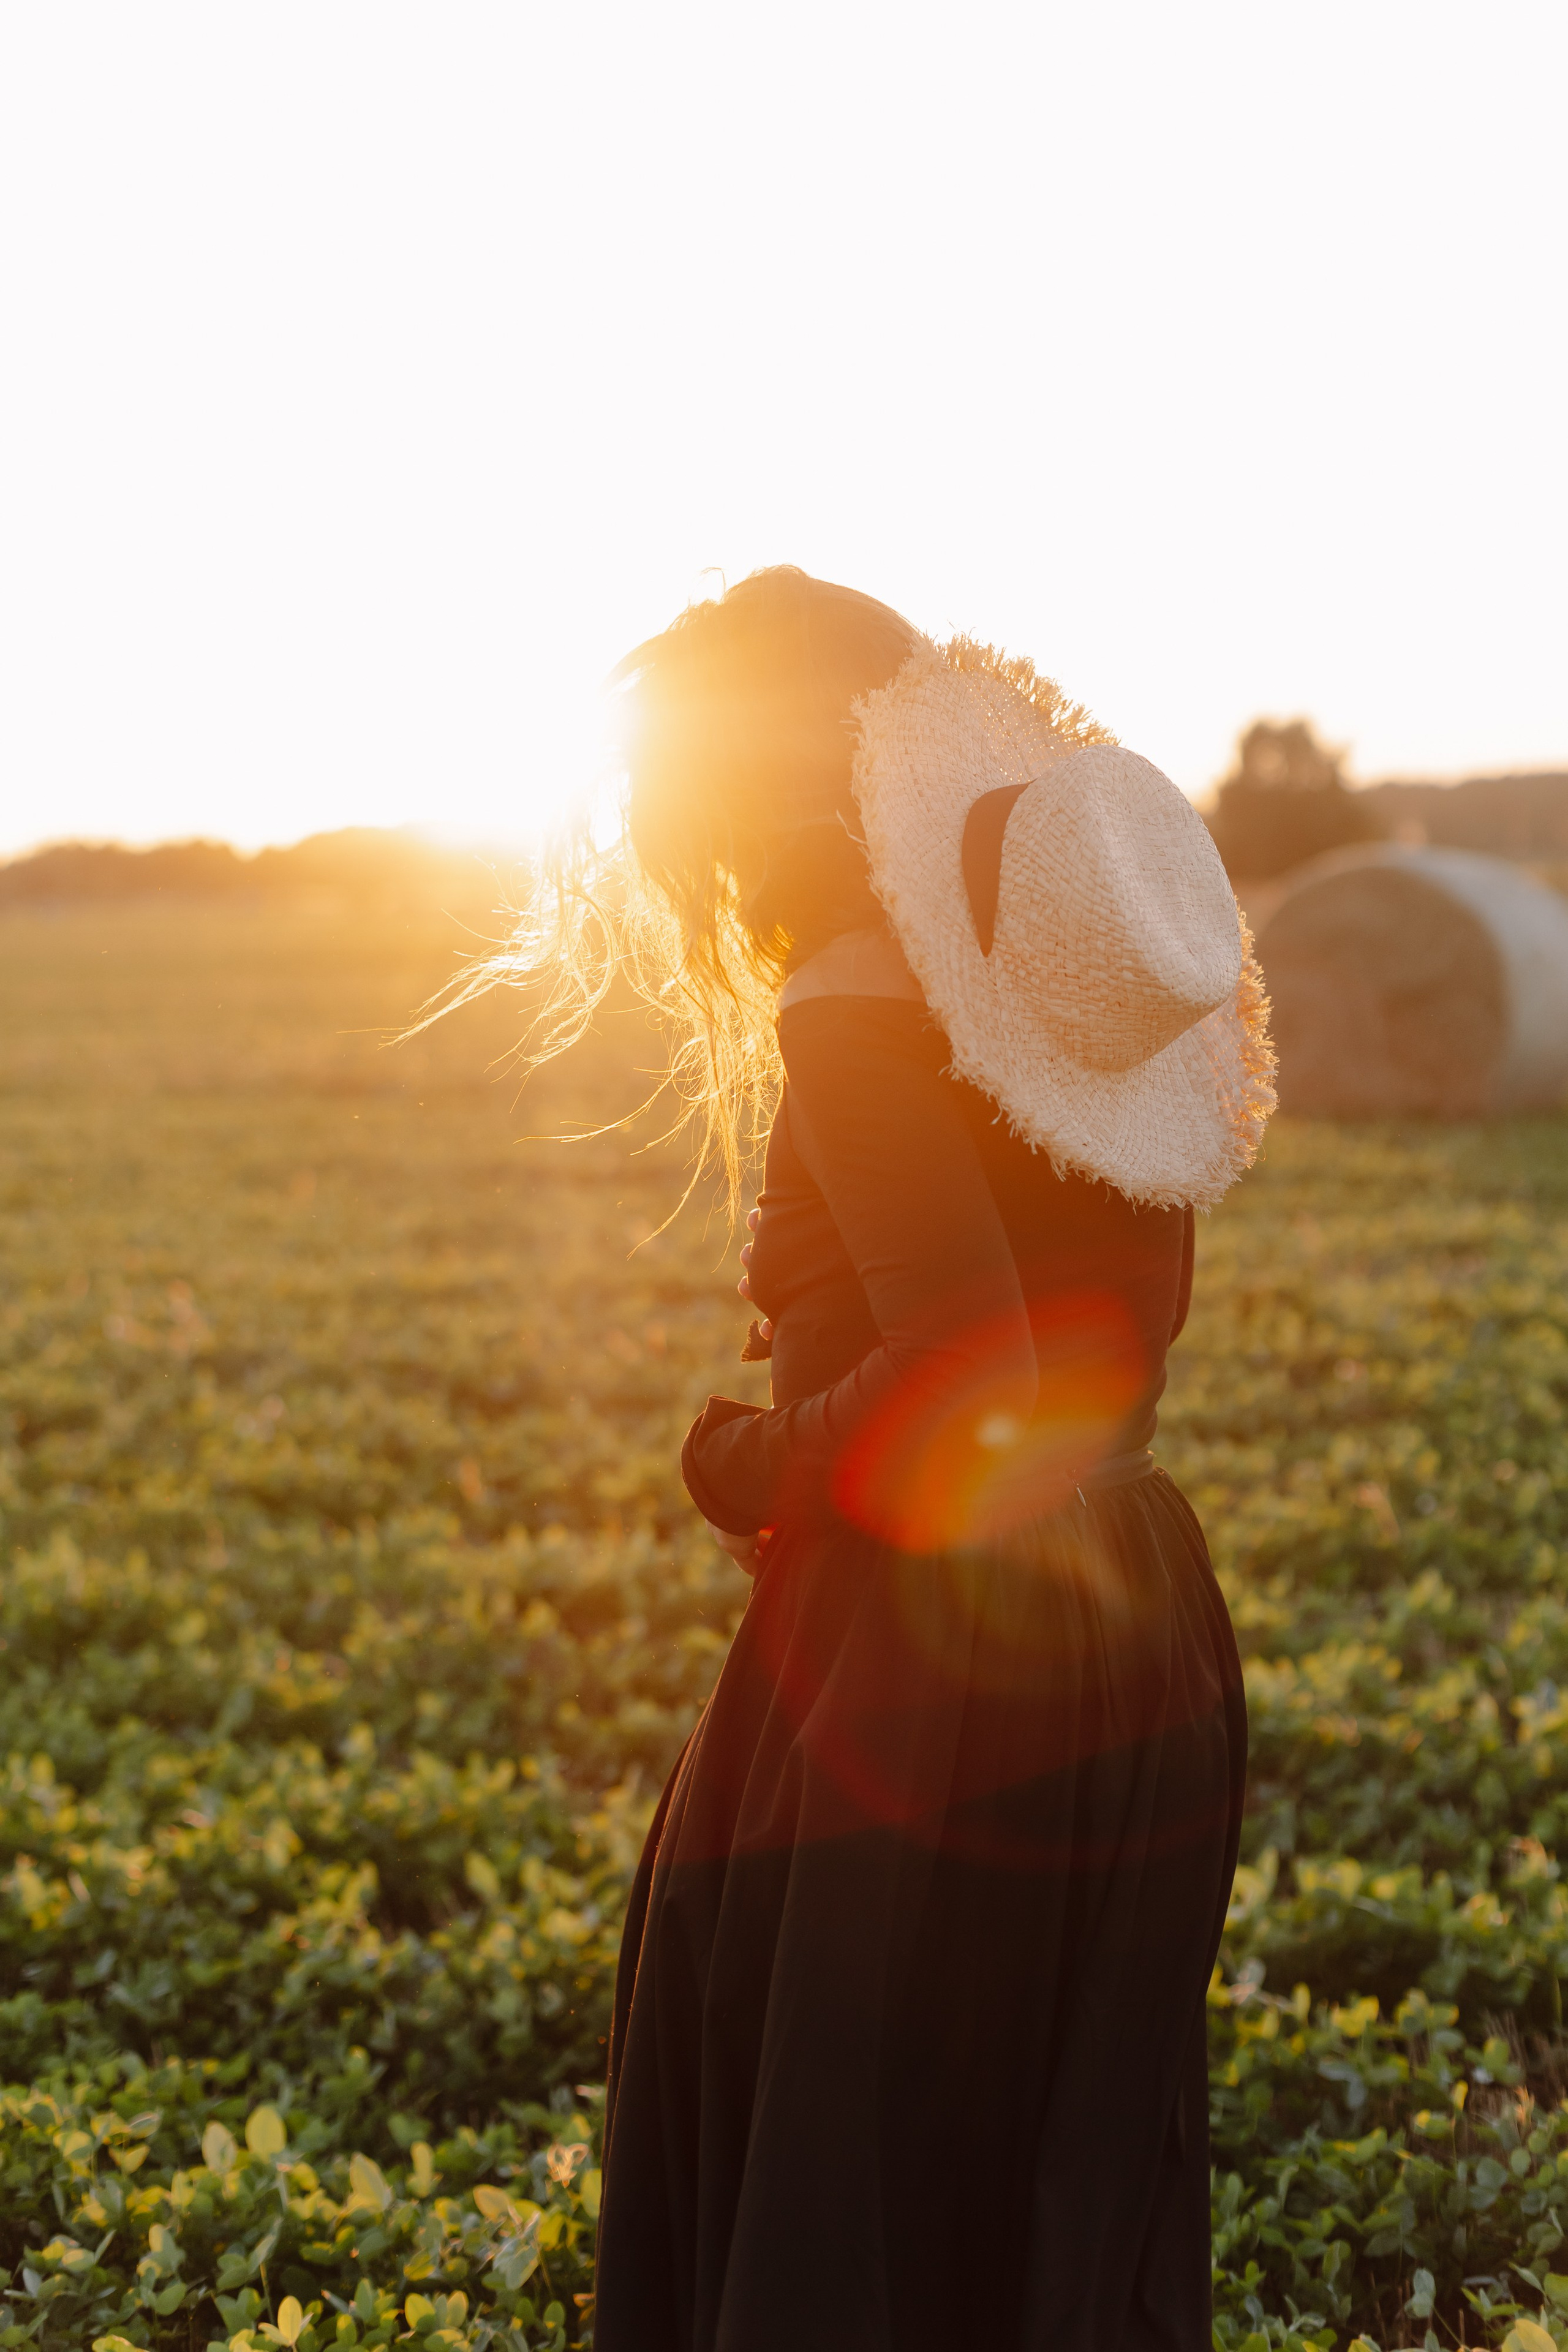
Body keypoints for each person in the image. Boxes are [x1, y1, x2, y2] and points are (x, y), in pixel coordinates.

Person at [533, 569, 1273, 2350]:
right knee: (1042, 2189)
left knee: (842, 2199)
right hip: (1130, 1618)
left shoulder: (859, 993)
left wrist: (751, 1466)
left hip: (933, 1660)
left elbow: (973, 1376)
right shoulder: (1042, 974)